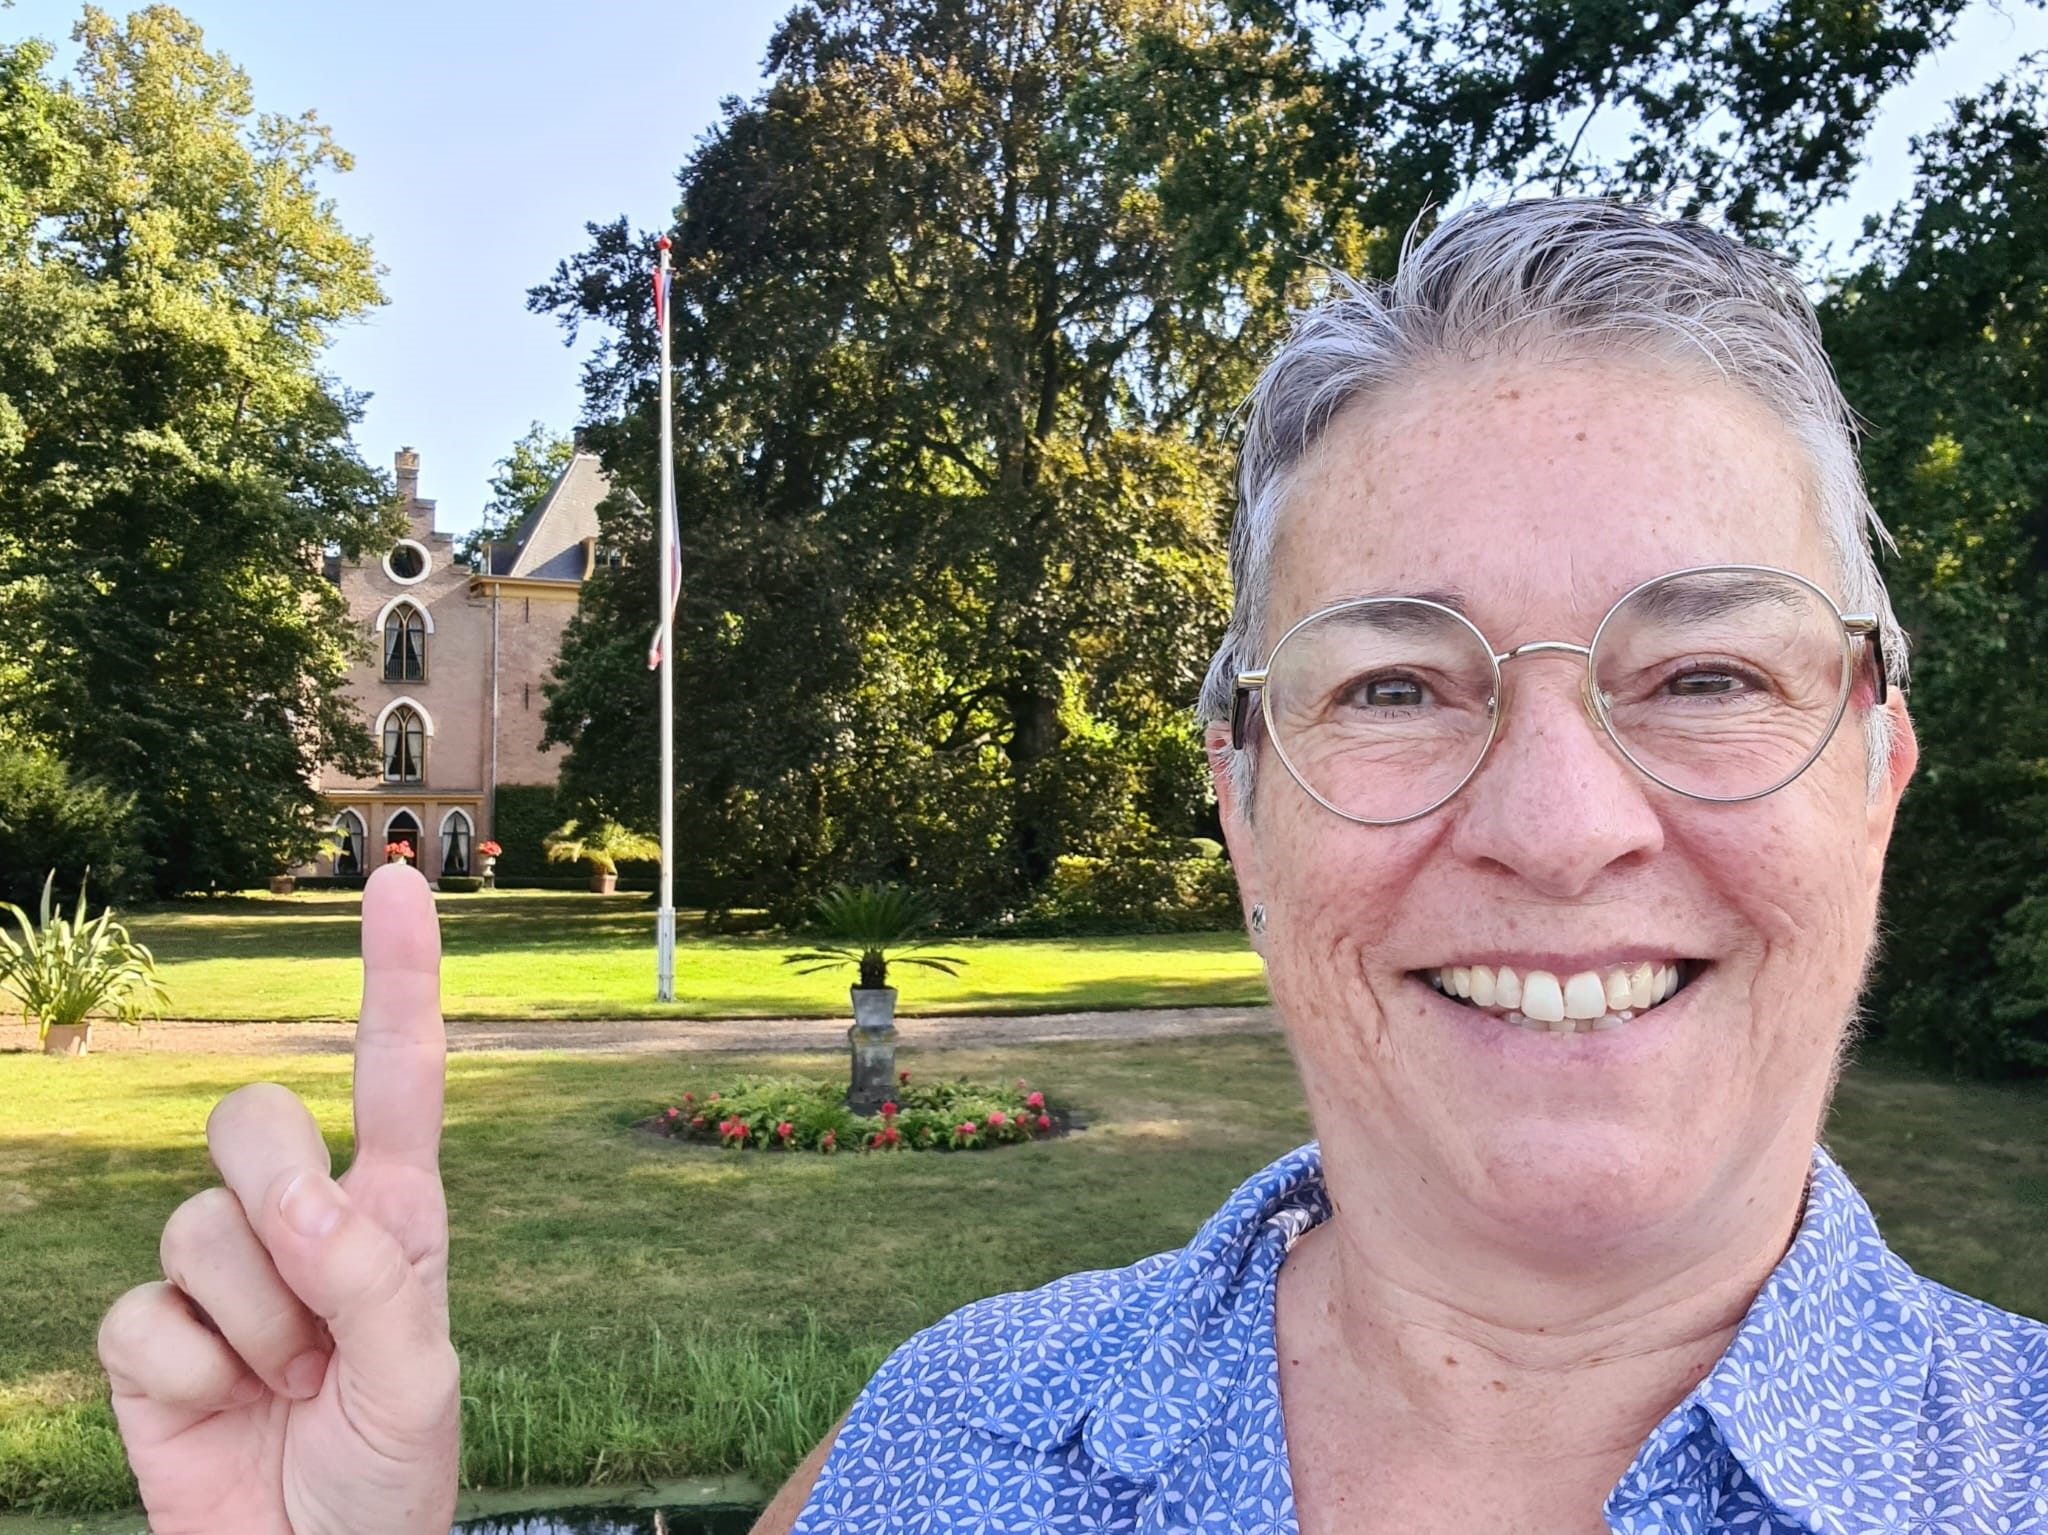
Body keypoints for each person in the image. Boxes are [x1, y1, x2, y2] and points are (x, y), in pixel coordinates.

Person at [98, 198, 2047, 1535]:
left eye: (1705, 674)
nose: (1555, 821)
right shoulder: (944, 1453)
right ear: (1244, 804)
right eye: (1392, 685)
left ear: (1878, 767)